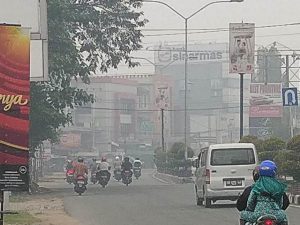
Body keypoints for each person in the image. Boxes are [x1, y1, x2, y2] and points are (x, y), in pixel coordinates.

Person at [240, 160, 288, 225]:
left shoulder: (256, 186)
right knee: (284, 216)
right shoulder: (278, 187)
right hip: (276, 215)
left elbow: (250, 202)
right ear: (274, 172)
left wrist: (250, 210)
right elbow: (280, 204)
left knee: (243, 214)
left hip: (257, 215)